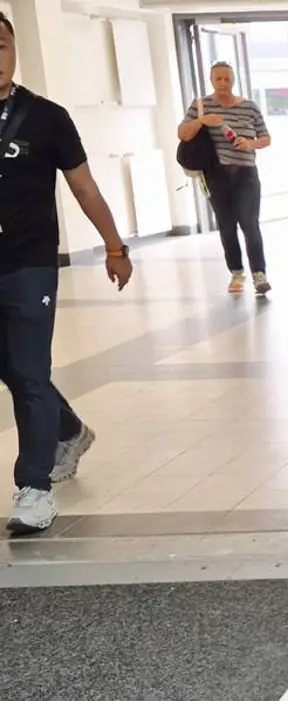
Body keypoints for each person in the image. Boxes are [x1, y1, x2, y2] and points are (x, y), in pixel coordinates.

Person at [0, 11, 132, 534]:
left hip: (31, 263)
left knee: (30, 372)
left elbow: (84, 186)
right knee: (12, 369)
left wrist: (115, 246)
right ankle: (70, 429)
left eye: (1, 44)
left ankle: (34, 488)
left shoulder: (46, 117)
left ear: (14, 48)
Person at [178, 61, 272, 296]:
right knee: (227, 225)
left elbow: (266, 138)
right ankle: (237, 272)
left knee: (250, 223)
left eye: (227, 79)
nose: (222, 83)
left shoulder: (249, 107)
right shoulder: (202, 106)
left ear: (233, 80)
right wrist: (202, 121)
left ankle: (259, 274)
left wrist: (249, 143)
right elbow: (182, 133)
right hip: (216, 175)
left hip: (246, 174)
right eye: (218, 79)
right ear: (211, 80)